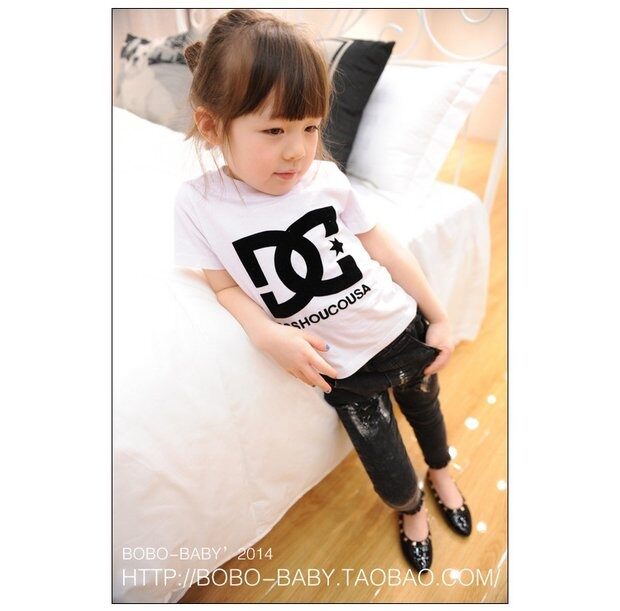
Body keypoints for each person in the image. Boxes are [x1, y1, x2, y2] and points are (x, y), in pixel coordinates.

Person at [174, 8, 472, 573]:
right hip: (343, 369)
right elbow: (223, 286)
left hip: (397, 327)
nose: (298, 150)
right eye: (274, 131)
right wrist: (267, 335)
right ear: (212, 126)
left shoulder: (325, 179)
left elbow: (385, 248)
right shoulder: (199, 204)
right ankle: (410, 508)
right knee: (385, 463)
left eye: (310, 128)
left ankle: (442, 472)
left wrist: (438, 316)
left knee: (428, 414)